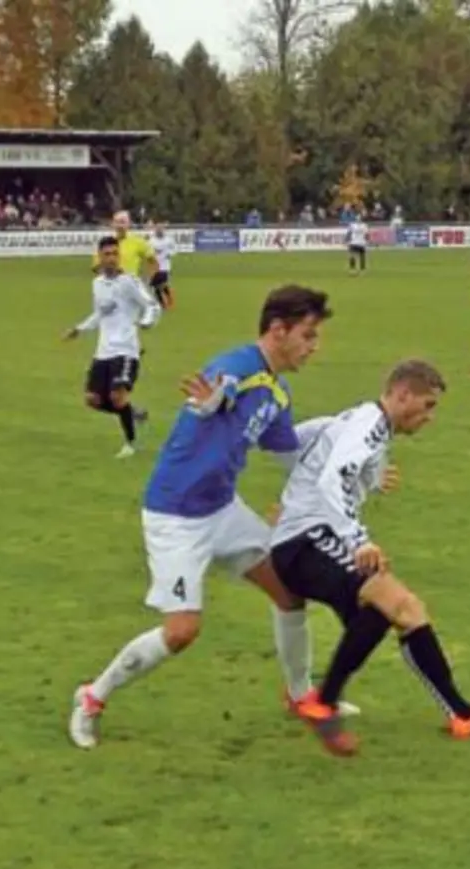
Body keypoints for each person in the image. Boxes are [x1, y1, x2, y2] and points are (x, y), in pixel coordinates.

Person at [68, 286, 347, 750]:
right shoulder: (239, 367)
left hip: (223, 509)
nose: (314, 346)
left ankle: (301, 696)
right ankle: (92, 697)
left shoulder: (278, 391)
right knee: (182, 632)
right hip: (176, 515)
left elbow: (288, 455)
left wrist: (355, 468)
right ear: (278, 331)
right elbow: (219, 387)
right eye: (308, 335)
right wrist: (214, 400)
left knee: (289, 592)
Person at [271, 360, 470, 756]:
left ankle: (462, 715)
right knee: (398, 602)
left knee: (394, 610)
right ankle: (322, 703)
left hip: (305, 538)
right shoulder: (368, 423)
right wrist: (356, 539)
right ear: (402, 395)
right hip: (307, 541)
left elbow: (295, 446)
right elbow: (332, 478)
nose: (429, 417)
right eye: (428, 405)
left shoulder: (363, 422)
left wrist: (369, 481)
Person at [62, 236, 161, 459]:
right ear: (99, 257)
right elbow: (100, 314)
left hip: (126, 350)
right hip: (103, 351)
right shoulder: (97, 284)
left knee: (117, 396)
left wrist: (146, 323)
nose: (111, 259)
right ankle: (132, 412)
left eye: (115, 254)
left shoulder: (130, 282)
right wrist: (78, 329)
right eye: (106, 254)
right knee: (92, 400)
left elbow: (152, 306)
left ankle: (131, 443)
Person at [92, 210, 158, 285]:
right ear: (112, 224)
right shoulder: (105, 243)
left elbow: (153, 262)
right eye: (116, 222)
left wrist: (149, 279)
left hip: (130, 288)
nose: (119, 226)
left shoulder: (138, 242)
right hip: (111, 288)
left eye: (122, 222)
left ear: (129, 224)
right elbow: (96, 266)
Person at [146, 221, 177, 309]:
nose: (159, 230)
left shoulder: (169, 240)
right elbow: (147, 251)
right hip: (154, 267)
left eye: (161, 229)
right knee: (155, 287)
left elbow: (174, 249)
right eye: (157, 229)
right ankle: (162, 304)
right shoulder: (151, 241)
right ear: (155, 230)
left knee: (162, 285)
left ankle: (169, 299)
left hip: (165, 266)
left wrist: (169, 254)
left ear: (163, 230)